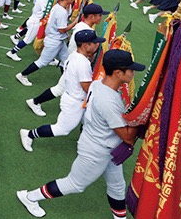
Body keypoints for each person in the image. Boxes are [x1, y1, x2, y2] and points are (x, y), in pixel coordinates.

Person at [16, 49, 145, 218]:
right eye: (131, 69)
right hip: (96, 150)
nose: (133, 72)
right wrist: (142, 117)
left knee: (117, 185)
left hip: (104, 145)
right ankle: (29, 197)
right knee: (75, 184)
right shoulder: (108, 100)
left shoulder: (98, 83)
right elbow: (127, 136)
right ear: (119, 73)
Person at [19, 29, 105, 151]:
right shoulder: (82, 63)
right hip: (75, 101)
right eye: (94, 43)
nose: (98, 45)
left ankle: (86, 144)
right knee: (62, 129)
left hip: (74, 96)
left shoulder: (75, 55)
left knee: (88, 122)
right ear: (86, 46)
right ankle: (29, 134)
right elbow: (86, 87)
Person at [16, 0, 79, 87]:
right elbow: (62, 29)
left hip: (58, 39)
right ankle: (22, 75)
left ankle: (67, 81)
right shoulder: (61, 12)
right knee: (42, 62)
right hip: (54, 40)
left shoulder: (58, 6)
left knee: (66, 60)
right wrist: (75, 23)